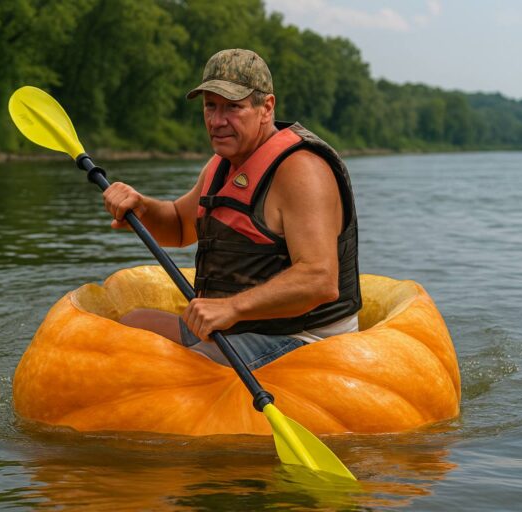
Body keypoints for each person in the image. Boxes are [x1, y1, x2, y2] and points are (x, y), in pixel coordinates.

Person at [103, 48, 362, 370]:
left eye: (233, 107)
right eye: (210, 106)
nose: (217, 121)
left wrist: (231, 307)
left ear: (266, 108)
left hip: (303, 338)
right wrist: (141, 209)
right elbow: (180, 226)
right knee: (132, 323)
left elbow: (319, 280)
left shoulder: (302, 170)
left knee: (157, 366)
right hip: (238, 327)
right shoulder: (221, 164)